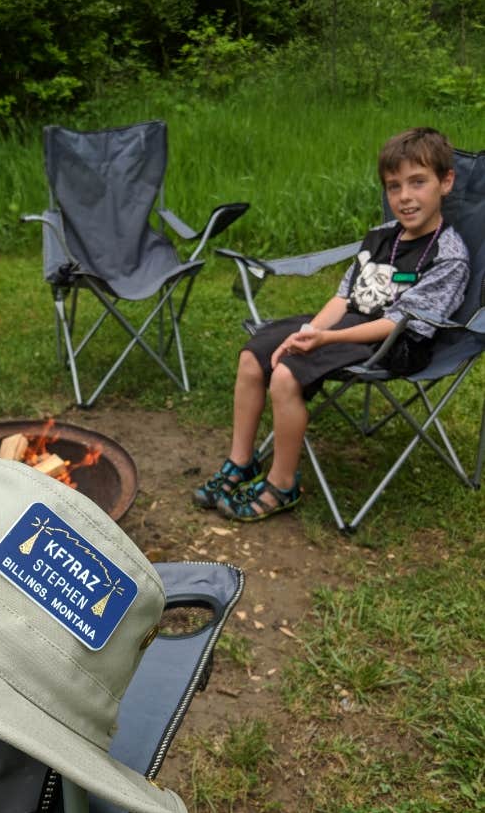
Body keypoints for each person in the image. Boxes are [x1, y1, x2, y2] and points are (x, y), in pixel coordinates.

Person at [193, 127, 470, 522]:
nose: (405, 197)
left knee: (287, 374)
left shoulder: (448, 255)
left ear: (446, 182)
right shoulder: (379, 236)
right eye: (394, 187)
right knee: (254, 356)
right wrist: (311, 332)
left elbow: (397, 322)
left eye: (417, 182)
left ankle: (282, 483)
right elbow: (343, 297)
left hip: (398, 342)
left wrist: (325, 339)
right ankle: (241, 462)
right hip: (351, 326)